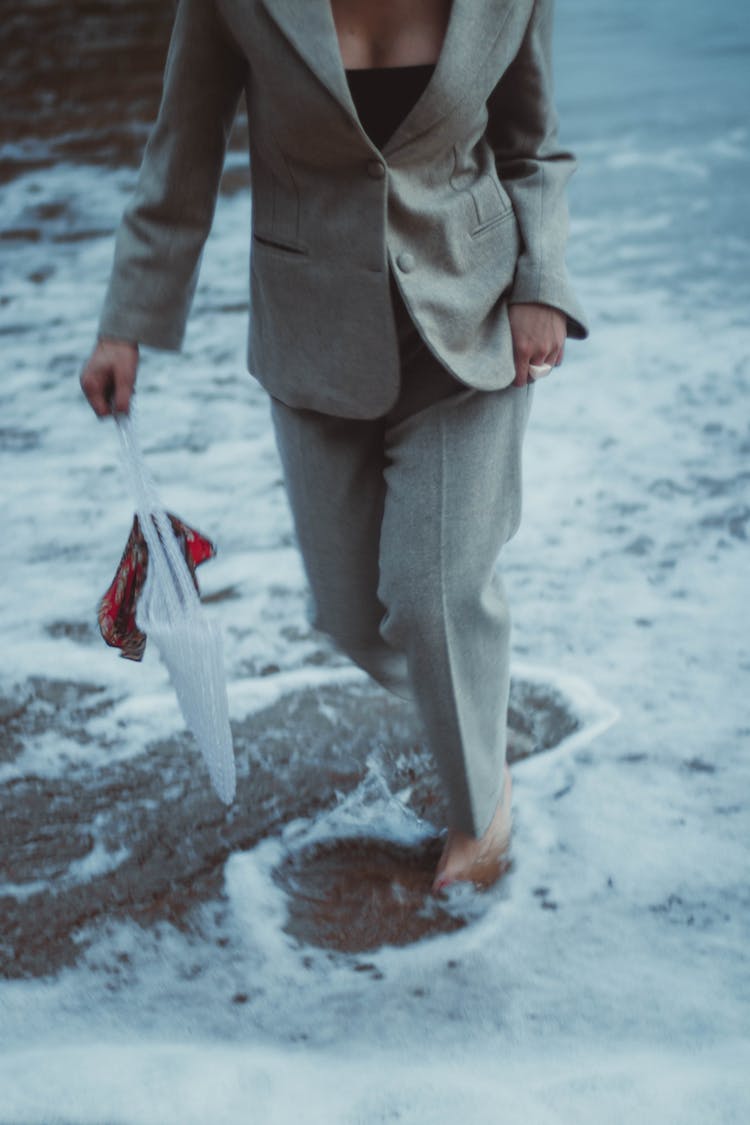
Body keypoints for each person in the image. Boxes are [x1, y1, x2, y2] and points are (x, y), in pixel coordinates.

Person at [80, 0, 587, 892]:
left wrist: (542, 282)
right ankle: (469, 693)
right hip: (313, 337)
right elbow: (181, 153)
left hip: (470, 322)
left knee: (434, 594)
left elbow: (531, 142)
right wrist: (127, 324)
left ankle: (483, 807)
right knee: (356, 617)